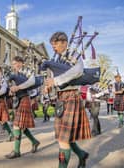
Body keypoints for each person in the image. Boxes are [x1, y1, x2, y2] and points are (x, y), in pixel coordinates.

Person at [45, 32, 91, 168]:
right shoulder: (57, 60)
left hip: (71, 96)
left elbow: (77, 71)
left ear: (64, 42)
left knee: (63, 138)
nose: (53, 47)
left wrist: (56, 80)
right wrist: (49, 86)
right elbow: (54, 82)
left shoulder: (74, 55)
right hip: (61, 98)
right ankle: (81, 154)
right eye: (52, 45)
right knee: (63, 135)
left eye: (55, 44)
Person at [5, 56, 40, 159]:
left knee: (17, 125)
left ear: (21, 63)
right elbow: (11, 87)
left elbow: (32, 81)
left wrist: (18, 87)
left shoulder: (27, 71)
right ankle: (35, 141)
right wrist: (11, 90)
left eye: (15, 64)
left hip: (25, 98)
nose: (14, 66)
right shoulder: (15, 74)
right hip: (18, 100)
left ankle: (16, 151)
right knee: (22, 127)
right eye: (13, 64)